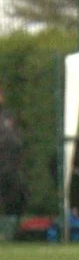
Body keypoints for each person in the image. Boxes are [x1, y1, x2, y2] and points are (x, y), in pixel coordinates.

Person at [0, 85, 24, 218]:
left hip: (10, 166)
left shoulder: (8, 116)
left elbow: (17, 136)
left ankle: (11, 223)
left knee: (14, 196)